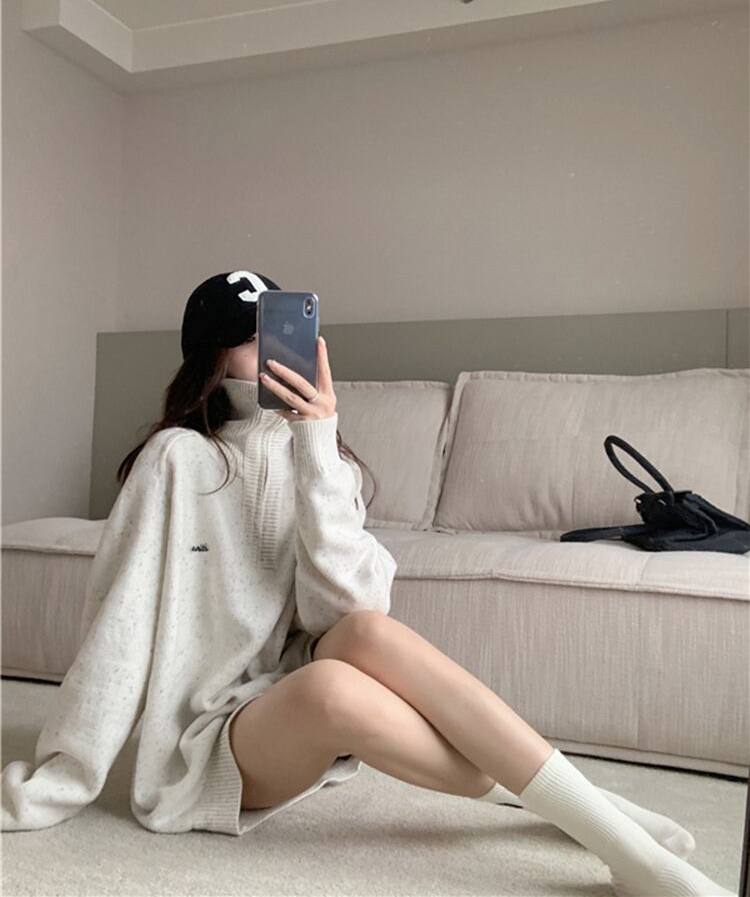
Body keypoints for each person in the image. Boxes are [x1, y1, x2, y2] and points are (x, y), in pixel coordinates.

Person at [0, 270, 735, 896]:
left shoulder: (327, 459)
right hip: (212, 741)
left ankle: (610, 837)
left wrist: (315, 444)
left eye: (284, 331)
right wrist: (66, 773)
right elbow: (119, 623)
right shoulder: (174, 459)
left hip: (293, 689)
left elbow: (346, 612)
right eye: (253, 337)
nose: (277, 350)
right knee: (340, 691)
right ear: (212, 359)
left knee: (366, 634)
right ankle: (589, 811)